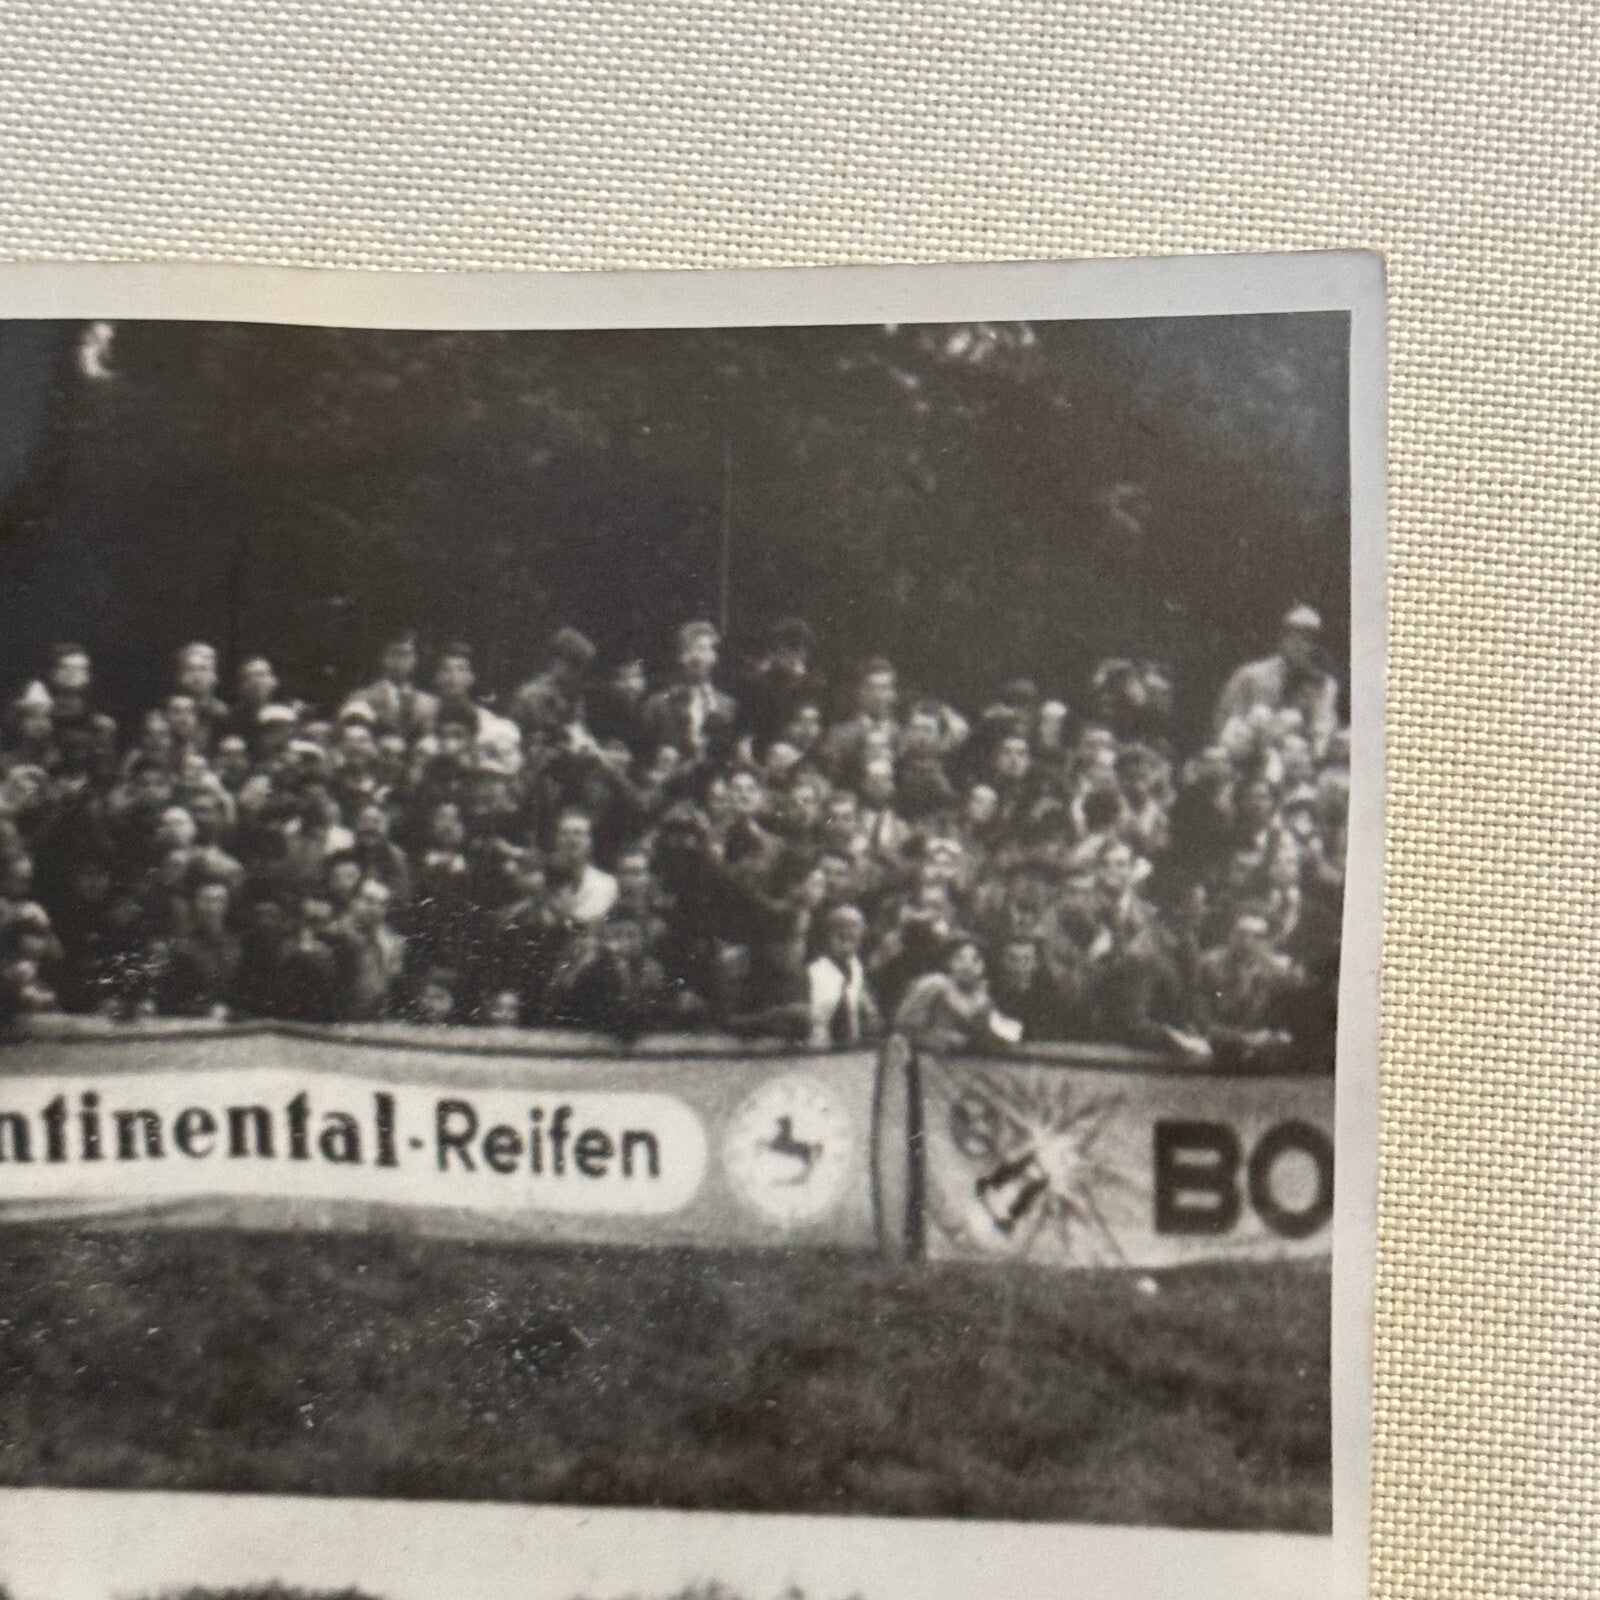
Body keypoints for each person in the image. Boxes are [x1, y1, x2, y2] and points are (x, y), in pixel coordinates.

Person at [1213, 604, 1341, 758]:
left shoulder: (1323, 685)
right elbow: (1224, 725)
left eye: (1309, 640)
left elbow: (1322, 733)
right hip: (1246, 756)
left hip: (1297, 761)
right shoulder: (1251, 676)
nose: (1301, 645)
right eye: (1293, 637)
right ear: (1282, 638)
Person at [641, 621, 738, 765]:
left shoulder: (727, 705)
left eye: (705, 650)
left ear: (714, 657)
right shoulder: (657, 703)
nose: (698, 658)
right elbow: (645, 752)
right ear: (680, 656)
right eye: (690, 650)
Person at [893, 937, 996, 1054]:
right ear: (949, 962)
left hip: (960, 1064)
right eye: (959, 958)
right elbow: (904, 1028)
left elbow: (982, 1038)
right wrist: (942, 1038)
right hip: (918, 1057)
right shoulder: (935, 984)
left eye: (975, 960)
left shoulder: (982, 995)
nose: (967, 966)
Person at [804, 903, 881, 1049]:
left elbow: (867, 1011)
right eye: (841, 936)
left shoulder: (857, 968)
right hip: (816, 1051)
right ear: (828, 935)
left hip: (850, 1051)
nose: (847, 945)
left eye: (854, 937)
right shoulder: (813, 972)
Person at [510, 626, 597, 753]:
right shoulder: (533, 695)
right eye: (574, 668)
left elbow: (578, 728)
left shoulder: (573, 696)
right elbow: (536, 739)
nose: (578, 676)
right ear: (558, 662)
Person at [342, 630, 437, 741]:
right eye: (394, 653)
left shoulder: (430, 704)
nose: (399, 661)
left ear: (415, 660)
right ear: (383, 657)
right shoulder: (362, 698)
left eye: (406, 654)